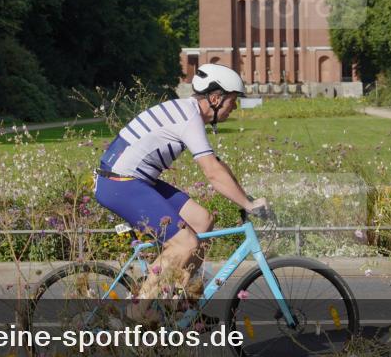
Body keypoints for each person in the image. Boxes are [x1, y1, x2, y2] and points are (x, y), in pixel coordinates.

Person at [94, 64, 268, 319]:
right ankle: (136, 312)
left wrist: (247, 199)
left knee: (202, 220)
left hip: (136, 179)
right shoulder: (188, 118)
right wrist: (250, 206)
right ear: (216, 98)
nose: (235, 107)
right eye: (233, 101)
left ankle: (177, 304)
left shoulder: (188, 113)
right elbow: (211, 173)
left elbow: (218, 166)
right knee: (184, 242)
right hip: (120, 182)